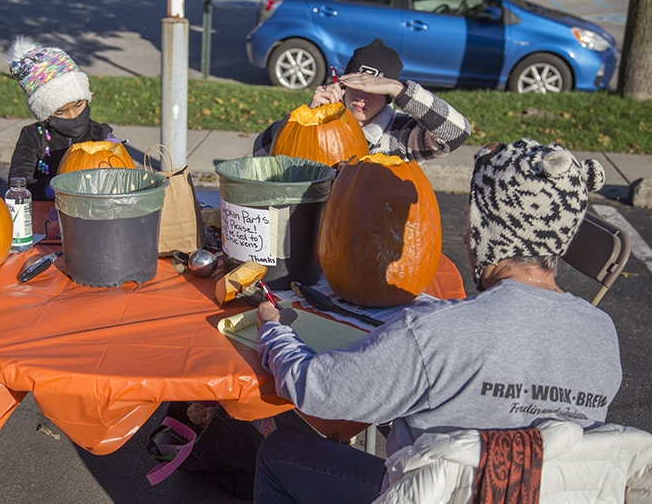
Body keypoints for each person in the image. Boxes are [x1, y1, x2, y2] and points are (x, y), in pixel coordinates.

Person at [252, 138, 621, 503]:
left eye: (469, 221)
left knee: (279, 451)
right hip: (543, 495)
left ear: (485, 231)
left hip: (436, 495)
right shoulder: (602, 333)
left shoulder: (436, 332)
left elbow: (317, 389)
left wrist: (274, 329)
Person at [253, 38, 471, 163]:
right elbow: (261, 152)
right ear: (343, 85)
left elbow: (456, 133)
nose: (361, 96)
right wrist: (304, 121)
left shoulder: (402, 134)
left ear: (387, 96)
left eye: (373, 90)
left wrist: (400, 89)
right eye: (356, 86)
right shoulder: (321, 125)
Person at [6, 36, 118, 200]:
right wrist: (49, 190)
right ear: (45, 112)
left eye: (78, 105)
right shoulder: (33, 137)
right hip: (46, 216)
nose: (73, 116)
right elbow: (18, 184)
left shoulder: (101, 134)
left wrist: (118, 153)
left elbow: (120, 175)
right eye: (60, 112)